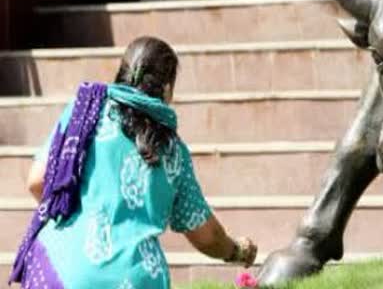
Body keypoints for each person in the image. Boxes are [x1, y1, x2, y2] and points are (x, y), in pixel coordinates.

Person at [9, 36, 257, 289]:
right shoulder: (173, 151)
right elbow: (206, 236)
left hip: (63, 271)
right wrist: (236, 250)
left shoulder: (82, 113)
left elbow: (37, 182)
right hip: (135, 278)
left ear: (121, 74)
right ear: (167, 89)